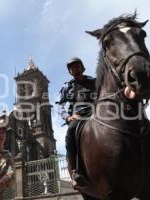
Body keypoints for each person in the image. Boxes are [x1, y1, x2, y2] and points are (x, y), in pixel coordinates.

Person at [57, 57, 96, 189]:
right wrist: (68, 117)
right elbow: (59, 106)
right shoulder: (67, 86)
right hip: (78, 117)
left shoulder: (94, 81)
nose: (75, 68)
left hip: (98, 114)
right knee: (70, 135)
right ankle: (74, 171)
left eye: (77, 66)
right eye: (72, 67)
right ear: (70, 71)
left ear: (82, 67)